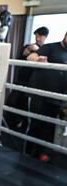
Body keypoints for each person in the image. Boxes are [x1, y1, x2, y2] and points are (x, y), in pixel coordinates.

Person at [25, 32, 67, 160]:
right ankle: (28, 153)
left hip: (58, 97)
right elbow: (30, 56)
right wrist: (39, 59)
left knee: (49, 127)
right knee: (35, 124)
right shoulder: (51, 47)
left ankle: (42, 154)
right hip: (40, 94)